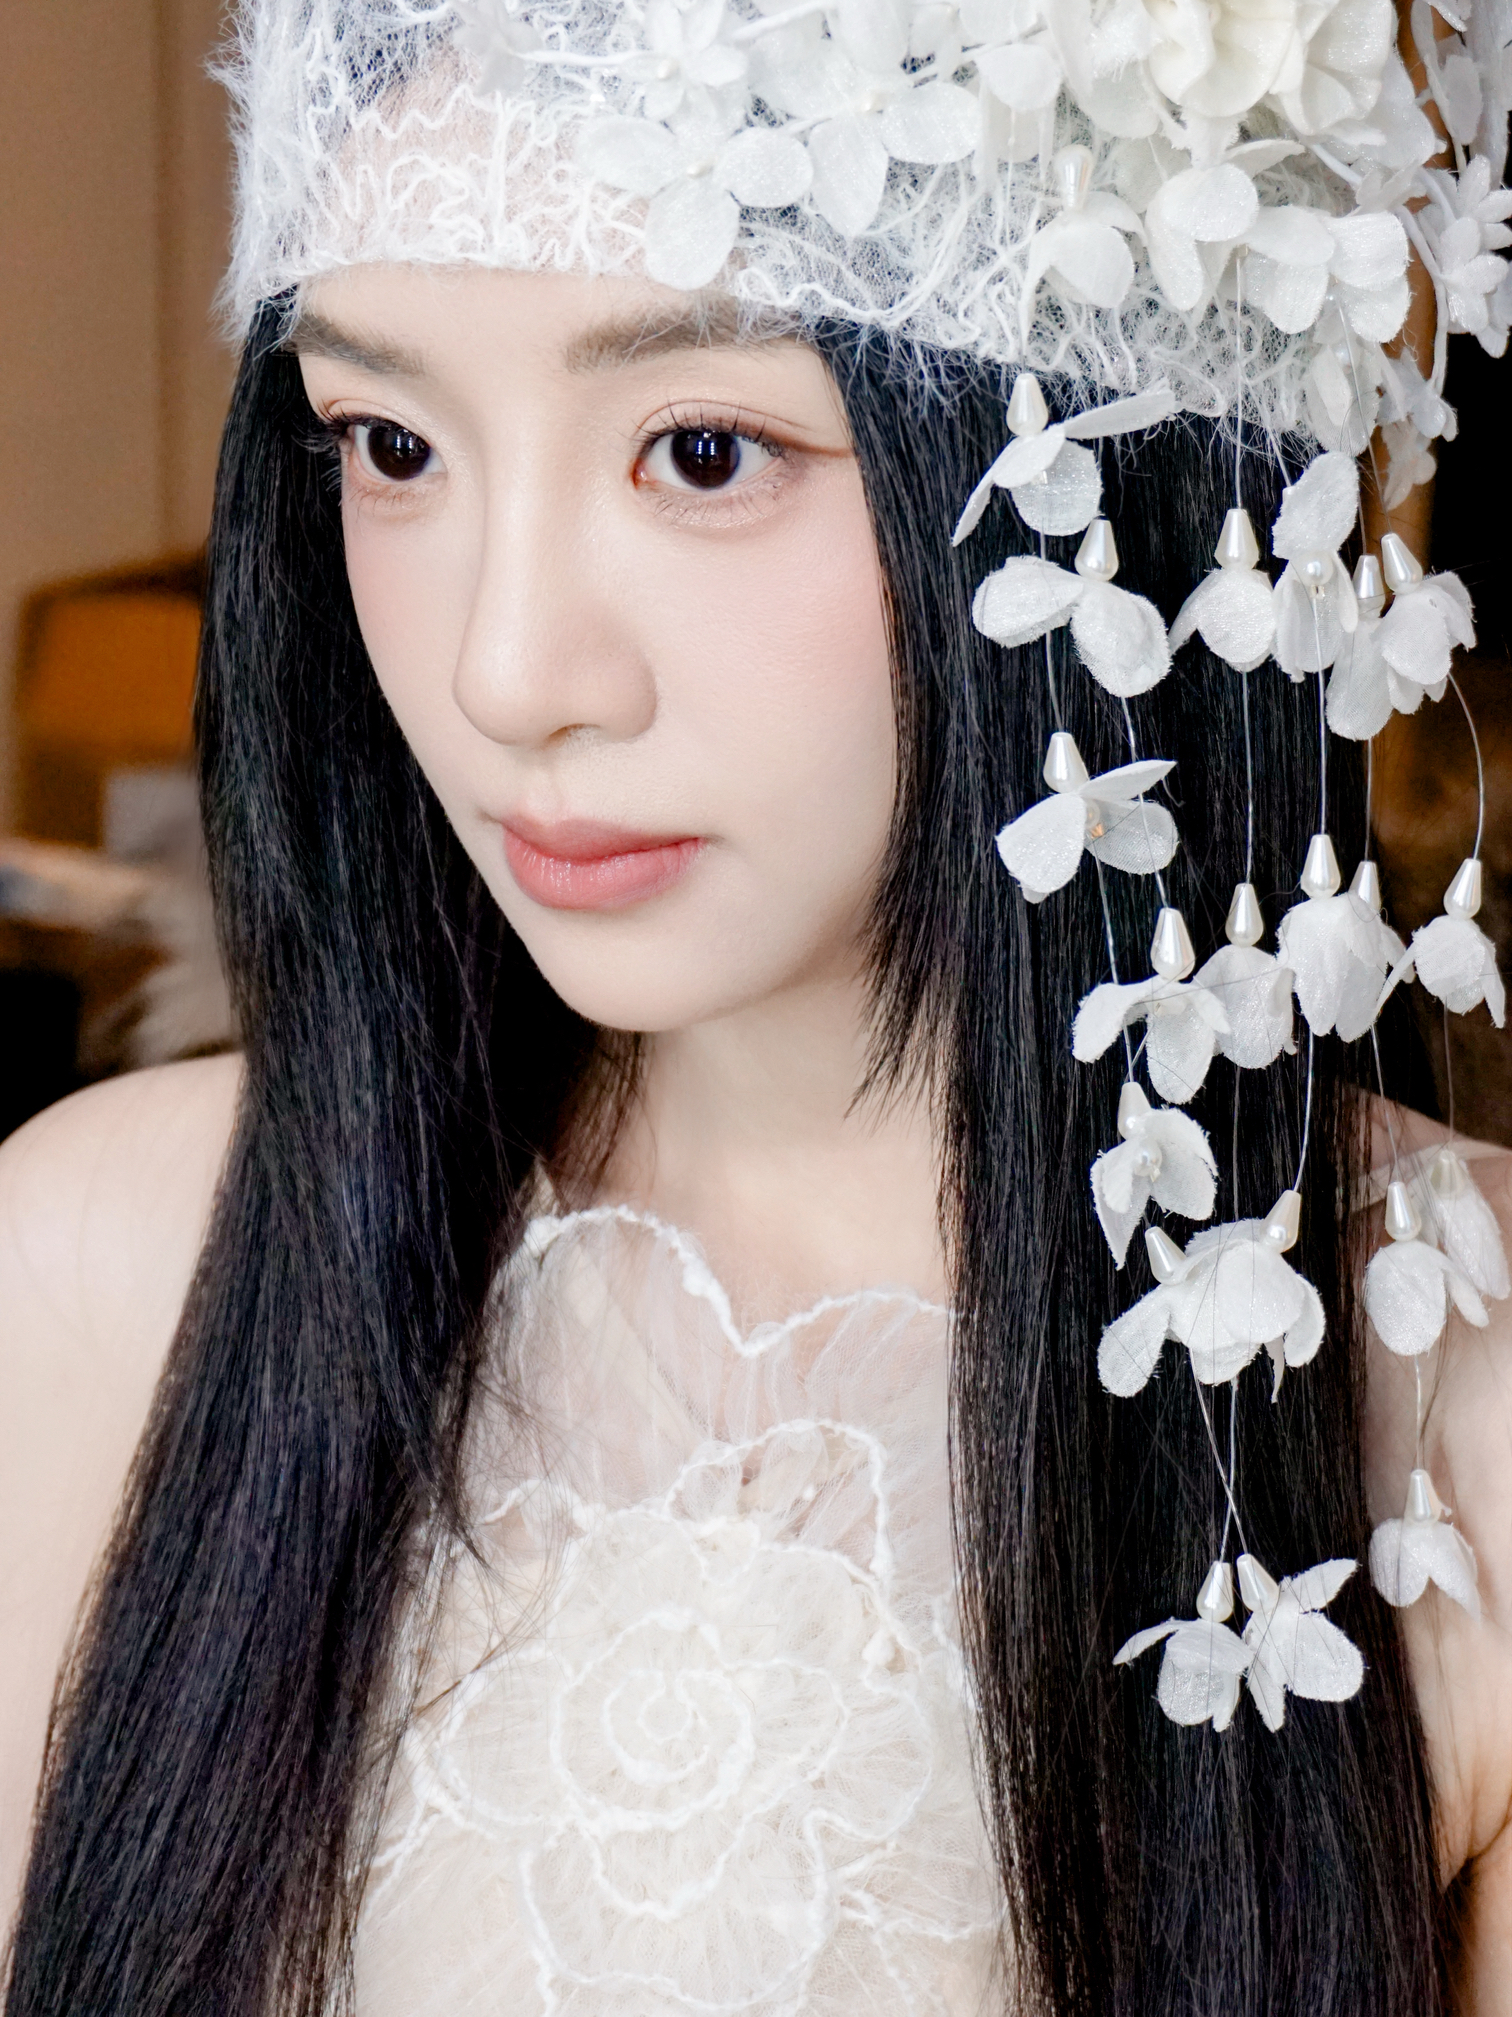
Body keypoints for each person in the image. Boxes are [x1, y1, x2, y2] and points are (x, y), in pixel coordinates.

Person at [4, 3, 1512, 2012]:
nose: (507, 668)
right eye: (391, 444)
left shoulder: (1462, 1426)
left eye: (703, 452)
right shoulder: (97, 1275)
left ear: (1113, 448)